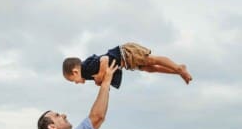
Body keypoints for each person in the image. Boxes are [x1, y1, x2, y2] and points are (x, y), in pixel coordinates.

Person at [62, 42, 192, 89]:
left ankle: (178, 68)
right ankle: (177, 71)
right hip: (125, 62)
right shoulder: (86, 73)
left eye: (74, 81)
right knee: (150, 69)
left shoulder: (85, 69)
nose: (77, 83)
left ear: (75, 72)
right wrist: (100, 81)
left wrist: (101, 76)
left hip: (125, 53)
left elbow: (105, 59)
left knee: (153, 61)